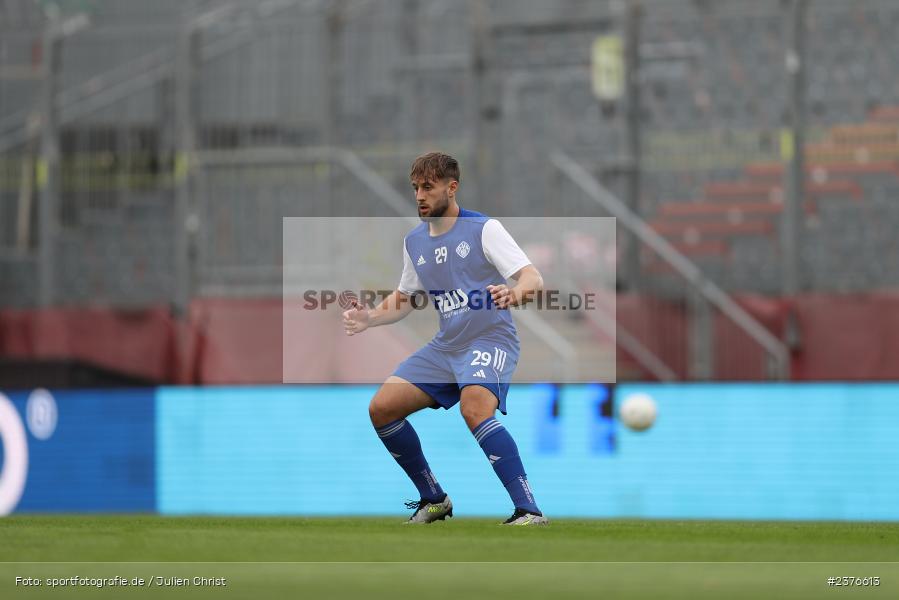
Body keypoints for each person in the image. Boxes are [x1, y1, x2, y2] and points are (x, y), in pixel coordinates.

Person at [342, 152, 548, 526]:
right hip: (447, 345)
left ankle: (529, 510)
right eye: (415, 188)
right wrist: (369, 318)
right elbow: (405, 298)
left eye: (428, 187)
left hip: (490, 338)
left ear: (452, 188)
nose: (420, 196)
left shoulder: (484, 229)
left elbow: (532, 278)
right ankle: (434, 499)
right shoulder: (414, 242)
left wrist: (514, 294)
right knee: (382, 409)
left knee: (474, 409)